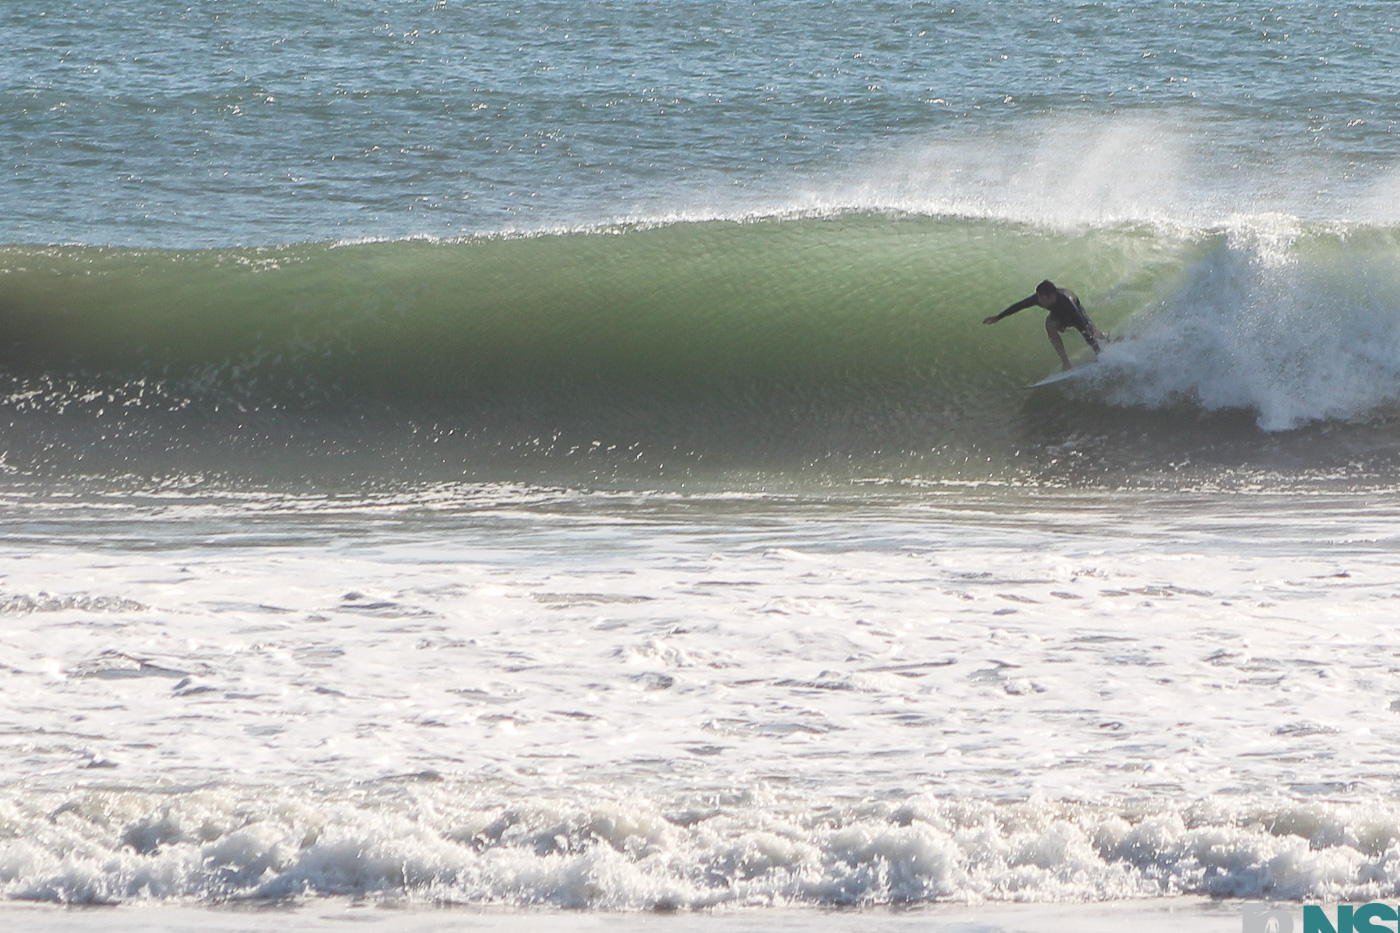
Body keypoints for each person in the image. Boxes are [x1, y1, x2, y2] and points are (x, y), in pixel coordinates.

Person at [983, 279, 1107, 371]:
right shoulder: (1040, 298)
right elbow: (1019, 306)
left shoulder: (1068, 305)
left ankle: (1106, 343)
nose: (1039, 302)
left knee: (1090, 331)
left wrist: (1098, 354)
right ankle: (1066, 362)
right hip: (1059, 313)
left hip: (1075, 311)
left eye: (1041, 298)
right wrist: (998, 317)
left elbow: (1084, 332)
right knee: (1049, 325)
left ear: (1050, 297)